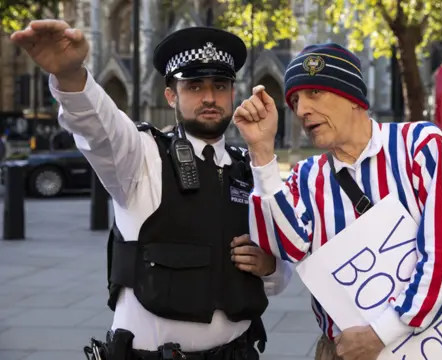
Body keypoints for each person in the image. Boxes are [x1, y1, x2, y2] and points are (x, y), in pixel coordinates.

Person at [11, 20, 292, 359]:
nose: (208, 97)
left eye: (219, 86)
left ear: (233, 92)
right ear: (170, 94)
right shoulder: (141, 156)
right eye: (194, 86)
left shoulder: (249, 166)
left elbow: (280, 275)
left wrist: (269, 267)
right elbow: (100, 129)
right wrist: (72, 77)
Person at [233, 43, 442, 360]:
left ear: (352, 97)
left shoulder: (420, 146)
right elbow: (284, 248)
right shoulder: (306, 177)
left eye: (314, 92)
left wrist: (381, 333)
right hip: (343, 351)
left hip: (427, 343)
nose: (301, 109)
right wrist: (262, 153)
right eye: (293, 100)